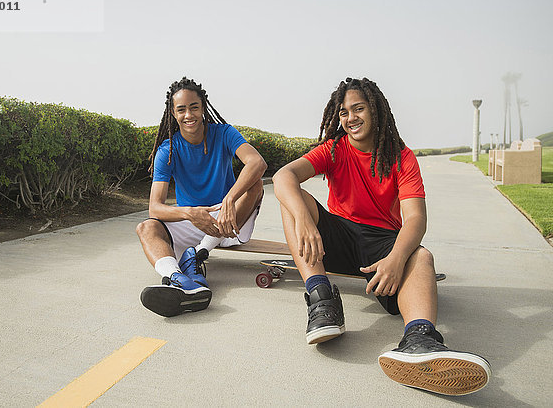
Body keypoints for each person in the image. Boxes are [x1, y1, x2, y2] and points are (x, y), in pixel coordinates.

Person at [272, 77, 491, 396]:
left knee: (422, 257)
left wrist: (397, 259)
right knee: (292, 199)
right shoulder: (334, 149)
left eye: (358, 109)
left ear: (376, 111)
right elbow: (283, 176)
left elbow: (416, 218)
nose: (350, 118)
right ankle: (322, 301)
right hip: (339, 237)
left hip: (383, 245)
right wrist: (306, 221)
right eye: (344, 112)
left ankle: (419, 341)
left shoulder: (402, 157)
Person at [136, 77, 266, 317]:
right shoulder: (167, 150)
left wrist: (229, 200)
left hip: (230, 221)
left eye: (194, 107)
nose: (189, 115)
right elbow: (155, 208)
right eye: (181, 109)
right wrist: (189, 213)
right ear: (173, 114)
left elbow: (257, 162)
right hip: (195, 221)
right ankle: (177, 279)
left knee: (255, 184)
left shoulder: (224, 133)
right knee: (146, 227)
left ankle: (196, 256)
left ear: (203, 107)